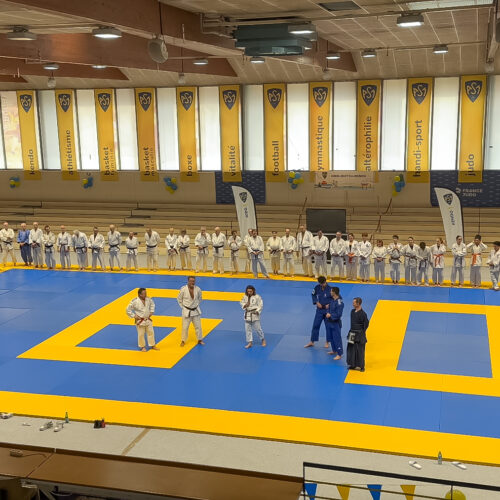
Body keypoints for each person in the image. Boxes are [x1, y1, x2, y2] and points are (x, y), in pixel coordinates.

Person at [126, 288, 159, 352]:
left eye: (146, 293)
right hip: (140, 320)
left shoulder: (148, 299)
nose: (146, 295)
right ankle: (142, 347)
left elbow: (152, 304)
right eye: (144, 294)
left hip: (148, 319)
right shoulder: (135, 301)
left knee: (151, 332)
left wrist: (152, 311)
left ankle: (152, 345)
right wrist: (134, 316)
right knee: (141, 334)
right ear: (139, 294)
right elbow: (127, 310)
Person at [304, 276, 332, 349]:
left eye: (323, 283)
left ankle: (327, 342)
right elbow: (313, 294)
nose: (322, 285)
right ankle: (312, 341)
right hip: (319, 310)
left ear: (325, 281)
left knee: (328, 326)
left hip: (327, 311)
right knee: (315, 325)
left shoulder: (331, 289)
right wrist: (316, 302)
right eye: (320, 284)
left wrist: (330, 304)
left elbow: (336, 298)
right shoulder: (317, 287)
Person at [177, 276, 204, 347]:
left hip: (195, 311)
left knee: (198, 327)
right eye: (191, 281)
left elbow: (200, 298)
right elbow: (179, 299)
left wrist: (196, 305)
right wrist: (183, 307)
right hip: (186, 311)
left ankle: (200, 339)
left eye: (193, 281)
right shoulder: (183, 289)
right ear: (188, 281)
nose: (192, 282)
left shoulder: (198, 289)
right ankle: (183, 340)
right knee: (185, 327)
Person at [346, 297, 369, 372]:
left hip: (359, 334)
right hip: (352, 333)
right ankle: (352, 364)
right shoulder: (352, 312)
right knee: (351, 349)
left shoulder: (363, 314)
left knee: (360, 350)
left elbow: (366, 324)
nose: (353, 304)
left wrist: (361, 332)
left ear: (358, 304)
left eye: (354, 303)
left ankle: (361, 366)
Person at [325, 286, 344, 360]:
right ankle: (334, 350)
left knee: (337, 338)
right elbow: (328, 308)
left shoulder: (339, 302)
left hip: (336, 323)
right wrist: (327, 313)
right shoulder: (332, 300)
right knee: (331, 337)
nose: (330, 292)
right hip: (330, 321)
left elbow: (339, 314)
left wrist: (331, 315)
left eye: (331, 291)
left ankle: (339, 354)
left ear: (334, 293)